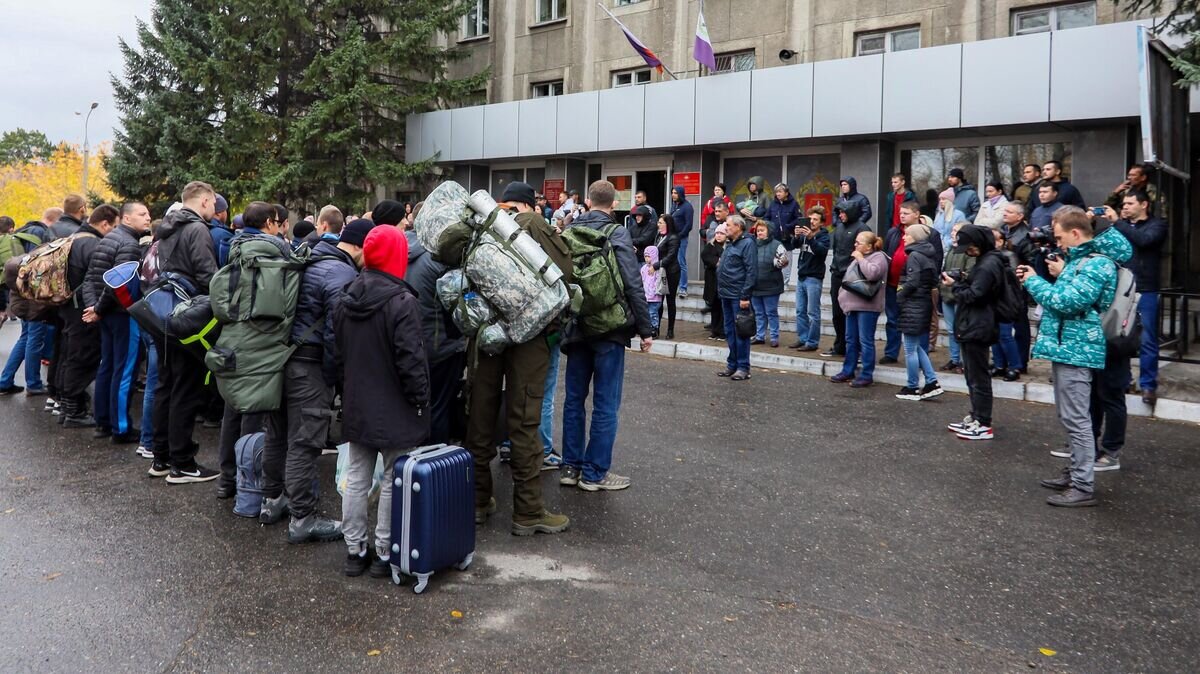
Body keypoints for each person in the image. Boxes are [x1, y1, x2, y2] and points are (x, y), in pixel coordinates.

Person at [466, 182, 574, 532]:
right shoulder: (533, 225)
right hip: (528, 338)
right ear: (530, 204)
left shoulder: (477, 224)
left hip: (484, 334)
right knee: (524, 420)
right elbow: (564, 274)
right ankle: (528, 512)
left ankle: (479, 500)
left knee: (479, 416)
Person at [260, 209, 369, 544]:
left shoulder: (305, 257)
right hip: (309, 367)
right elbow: (338, 330)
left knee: (276, 434)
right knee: (305, 442)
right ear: (360, 248)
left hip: (279, 358)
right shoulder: (339, 272)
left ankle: (271, 500)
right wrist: (335, 373)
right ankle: (302, 518)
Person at [1017, 207, 1131, 506]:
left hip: (1077, 349)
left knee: (1077, 419)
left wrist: (1033, 281)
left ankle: (1082, 485)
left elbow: (1067, 302)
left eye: (1060, 237)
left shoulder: (1096, 265)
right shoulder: (1082, 261)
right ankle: (1074, 474)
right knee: (1072, 416)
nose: (1058, 243)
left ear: (1076, 233)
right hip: (1069, 345)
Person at [336, 225, 430, 576]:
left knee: (358, 477)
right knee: (393, 477)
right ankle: (384, 551)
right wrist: (420, 398)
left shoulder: (346, 297)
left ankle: (354, 550)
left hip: (358, 400)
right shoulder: (402, 301)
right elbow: (411, 359)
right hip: (395, 404)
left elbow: (339, 354)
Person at [560, 180, 653, 492]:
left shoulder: (568, 231)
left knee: (574, 400)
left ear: (587, 201)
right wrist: (645, 328)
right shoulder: (617, 233)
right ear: (614, 204)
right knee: (605, 403)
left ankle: (570, 468)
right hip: (610, 330)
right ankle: (594, 473)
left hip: (576, 325)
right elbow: (632, 281)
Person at [149, 181, 220, 484]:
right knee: (187, 388)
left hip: (162, 313)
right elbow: (208, 276)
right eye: (214, 204)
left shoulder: (167, 227)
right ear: (204, 201)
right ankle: (183, 463)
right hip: (187, 316)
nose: (216, 211)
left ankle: (161, 457)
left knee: (166, 385)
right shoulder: (197, 229)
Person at [81, 202, 151, 444]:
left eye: (148, 214)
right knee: (123, 371)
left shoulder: (108, 239)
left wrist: (95, 309)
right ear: (127, 219)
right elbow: (116, 284)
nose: (148, 218)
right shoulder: (129, 245)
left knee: (108, 366)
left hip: (109, 314)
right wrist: (98, 309)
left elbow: (91, 278)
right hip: (122, 315)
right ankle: (120, 428)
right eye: (142, 214)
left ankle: (103, 421)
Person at [942, 225, 1008, 441]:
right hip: (973, 323)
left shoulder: (988, 265)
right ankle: (976, 415)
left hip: (979, 325)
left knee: (978, 376)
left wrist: (956, 286)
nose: (967, 252)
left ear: (978, 244)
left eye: (969, 247)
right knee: (972, 375)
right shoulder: (986, 262)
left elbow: (976, 294)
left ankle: (983, 422)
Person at [402, 225, 465, 446]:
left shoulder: (402, 254)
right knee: (438, 408)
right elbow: (458, 309)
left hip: (408, 346)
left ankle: (413, 465)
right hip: (441, 347)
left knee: (414, 408)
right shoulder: (438, 261)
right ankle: (434, 465)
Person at [56, 204, 117, 428]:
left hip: (68, 307)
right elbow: (95, 279)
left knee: (70, 355)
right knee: (82, 357)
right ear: (104, 224)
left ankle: (67, 406)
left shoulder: (74, 237)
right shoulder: (92, 244)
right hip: (83, 310)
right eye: (114, 226)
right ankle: (74, 411)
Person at [1105, 190, 1167, 405]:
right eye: (1124, 204)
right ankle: (1125, 380)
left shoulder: (1157, 225)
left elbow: (1143, 241)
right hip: (1122, 289)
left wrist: (1118, 223)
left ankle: (1148, 385)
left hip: (1146, 288)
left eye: (1130, 203)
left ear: (1144, 205)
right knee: (1119, 335)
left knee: (1148, 338)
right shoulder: (1121, 226)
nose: (1125, 207)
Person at [0, 218, 53, 397]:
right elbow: (36, 268)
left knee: (25, 339)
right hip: (32, 299)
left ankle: (5, 381)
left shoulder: (20, 234)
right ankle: (34, 383)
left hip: (20, 296)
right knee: (34, 340)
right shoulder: (38, 234)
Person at [829, 231, 887, 387]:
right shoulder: (856, 258)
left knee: (865, 341)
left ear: (869, 246)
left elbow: (873, 274)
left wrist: (860, 258)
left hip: (867, 307)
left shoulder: (878, 257)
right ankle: (848, 370)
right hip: (852, 306)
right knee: (850, 340)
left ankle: (867, 374)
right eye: (855, 242)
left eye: (858, 243)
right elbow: (848, 280)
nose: (855, 245)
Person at [894, 223, 944, 401]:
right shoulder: (928, 255)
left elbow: (912, 281)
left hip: (914, 304)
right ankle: (931, 382)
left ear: (915, 237)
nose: (904, 237)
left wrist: (900, 294)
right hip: (923, 303)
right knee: (917, 347)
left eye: (907, 235)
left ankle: (912, 386)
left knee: (909, 349)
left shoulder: (914, 255)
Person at [821, 200, 870, 358]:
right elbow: (836, 251)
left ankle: (857, 348)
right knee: (837, 313)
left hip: (853, 276)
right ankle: (840, 345)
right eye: (839, 212)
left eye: (843, 212)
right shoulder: (839, 228)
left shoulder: (862, 228)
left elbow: (868, 252)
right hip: (837, 274)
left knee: (852, 314)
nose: (840, 215)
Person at [716, 215, 756, 380]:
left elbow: (751, 271)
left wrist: (745, 295)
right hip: (726, 294)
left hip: (738, 296)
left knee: (741, 332)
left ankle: (743, 367)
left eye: (729, 225)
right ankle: (732, 365)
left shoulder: (747, 244)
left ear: (739, 227)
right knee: (730, 332)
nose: (726, 228)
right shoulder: (731, 244)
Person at [786, 206, 830, 351]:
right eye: (810, 218)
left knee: (813, 312)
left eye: (815, 219)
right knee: (800, 310)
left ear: (821, 222)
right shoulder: (805, 233)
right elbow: (793, 246)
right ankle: (803, 338)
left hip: (814, 277)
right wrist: (797, 236)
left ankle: (812, 342)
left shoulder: (824, 235)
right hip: (802, 275)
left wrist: (811, 238)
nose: (812, 221)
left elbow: (821, 252)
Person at [1001, 202, 1036, 367]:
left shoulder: (1025, 236)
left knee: (1020, 324)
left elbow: (1031, 261)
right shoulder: (1003, 230)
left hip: (1018, 285)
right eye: (1005, 210)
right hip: (1003, 283)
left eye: (1009, 211)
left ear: (1020, 216)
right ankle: (1004, 359)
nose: (1005, 213)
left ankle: (1021, 360)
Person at [938, 223, 975, 373]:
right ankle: (954, 359)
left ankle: (964, 360)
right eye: (952, 230)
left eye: (956, 231)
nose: (953, 233)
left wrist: (959, 277)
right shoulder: (951, 249)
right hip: (947, 294)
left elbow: (970, 272)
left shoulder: (968, 251)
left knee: (961, 329)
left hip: (960, 294)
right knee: (951, 329)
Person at [989, 229, 1023, 382]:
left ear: (1002, 241)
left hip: (1006, 300)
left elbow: (1014, 281)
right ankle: (999, 364)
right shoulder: (988, 257)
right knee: (994, 335)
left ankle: (1014, 366)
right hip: (993, 300)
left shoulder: (1009, 256)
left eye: (996, 239)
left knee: (1005, 335)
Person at [749, 220, 787, 347]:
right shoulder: (752, 244)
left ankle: (774, 337)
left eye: (762, 230)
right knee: (759, 313)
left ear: (769, 231)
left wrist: (778, 262)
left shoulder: (777, 245)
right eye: (758, 230)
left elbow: (784, 260)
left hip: (771, 286)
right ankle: (760, 336)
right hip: (755, 286)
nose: (759, 233)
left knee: (771, 312)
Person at [651, 214, 680, 339]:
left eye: (661, 222)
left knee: (670, 301)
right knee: (658, 301)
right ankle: (655, 328)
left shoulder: (673, 238)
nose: (658, 224)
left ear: (667, 224)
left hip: (671, 272)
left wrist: (656, 265)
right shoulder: (658, 236)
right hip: (660, 272)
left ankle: (670, 330)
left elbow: (671, 256)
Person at [701, 224, 727, 340]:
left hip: (724, 281)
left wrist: (718, 262)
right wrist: (717, 261)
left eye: (721, 233)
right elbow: (706, 257)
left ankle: (723, 331)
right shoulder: (710, 246)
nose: (718, 235)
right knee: (714, 307)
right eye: (717, 233)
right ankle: (715, 330)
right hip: (712, 281)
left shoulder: (729, 246)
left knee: (723, 308)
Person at [669, 186, 693, 299]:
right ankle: (674, 285)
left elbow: (689, 225)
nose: (673, 195)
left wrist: (679, 236)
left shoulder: (687, 207)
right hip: (672, 238)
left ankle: (683, 288)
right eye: (672, 193)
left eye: (675, 193)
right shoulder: (674, 205)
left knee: (680, 262)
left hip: (681, 238)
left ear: (680, 194)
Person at [931, 188, 968, 253]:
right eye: (940, 199)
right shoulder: (938, 215)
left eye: (943, 199)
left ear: (949, 201)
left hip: (951, 249)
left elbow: (961, 233)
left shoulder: (959, 215)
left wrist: (947, 244)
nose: (941, 201)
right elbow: (934, 231)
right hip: (937, 247)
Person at [641, 245, 665, 335]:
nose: (647, 259)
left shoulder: (658, 269)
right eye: (645, 256)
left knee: (653, 313)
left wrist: (655, 290)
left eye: (649, 256)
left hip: (655, 297)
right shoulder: (643, 268)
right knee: (646, 314)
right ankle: (648, 328)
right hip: (646, 296)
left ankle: (654, 328)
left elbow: (660, 281)